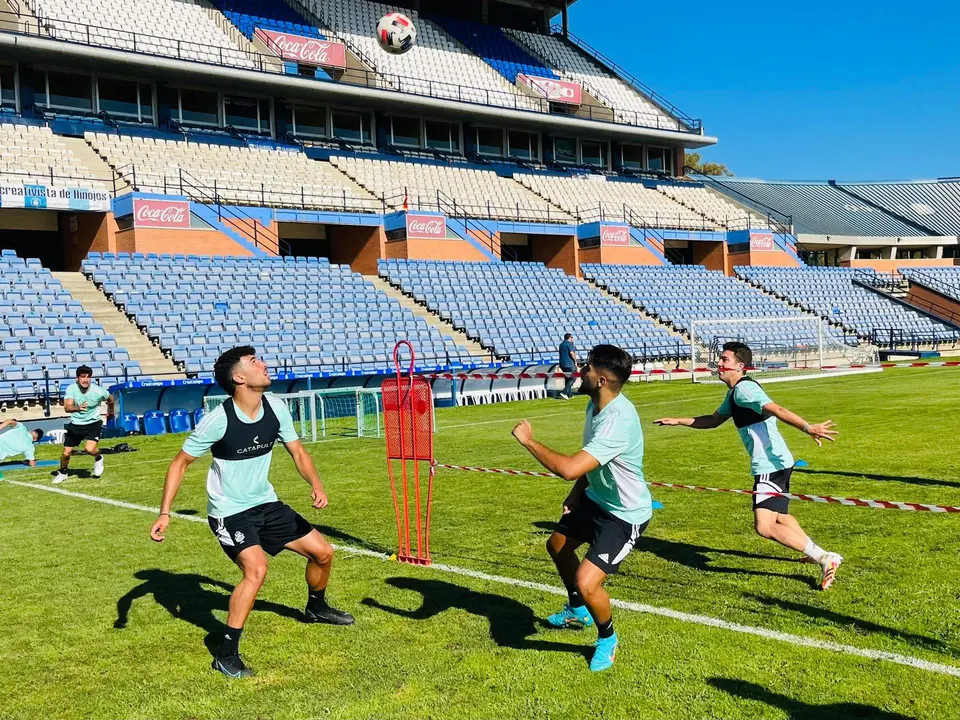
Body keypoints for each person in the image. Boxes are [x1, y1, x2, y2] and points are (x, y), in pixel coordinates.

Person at [149, 346, 354, 679]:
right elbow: (179, 463)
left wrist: (316, 485)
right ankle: (226, 653)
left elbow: (298, 453)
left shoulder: (276, 407)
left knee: (324, 553)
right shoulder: (218, 420)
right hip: (230, 512)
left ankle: (316, 608)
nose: (264, 365)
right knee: (256, 571)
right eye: (255, 362)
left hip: (266, 503)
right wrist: (164, 513)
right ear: (239, 377)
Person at [654, 341, 843, 590]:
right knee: (781, 517)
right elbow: (713, 420)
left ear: (740, 366)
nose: (719, 364)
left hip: (769, 466)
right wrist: (678, 421)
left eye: (724, 360)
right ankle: (820, 553)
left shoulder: (745, 391)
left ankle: (824, 558)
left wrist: (809, 428)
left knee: (765, 526)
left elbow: (777, 409)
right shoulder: (734, 393)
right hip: (778, 462)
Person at [512, 344, 650, 672]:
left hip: (624, 514)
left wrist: (529, 441)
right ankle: (577, 609)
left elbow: (571, 467)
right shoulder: (595, 406)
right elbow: (592, 461)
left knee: (589, 582)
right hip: (596, 498)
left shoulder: (618, 420)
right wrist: (578, 494)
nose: (581, 371)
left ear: (601, 380)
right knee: (557, 546)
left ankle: (608, 638)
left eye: (587, 368)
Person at [53, 365, 114, 484]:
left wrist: (110, 410)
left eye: (88, 377)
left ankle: (98, 457)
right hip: (76, 424)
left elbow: (110, 399)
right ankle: (63, 472)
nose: (85, 380)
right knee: (66, 453)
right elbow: (67, 407)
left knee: (89, 449)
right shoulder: (71, 389)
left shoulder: (98, 390)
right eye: (82, 377)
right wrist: (78, 408)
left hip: (93, 423)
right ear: (77, 378)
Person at [558, 333, 578, 400]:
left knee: (567, 378)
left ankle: (569, 394)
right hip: (569, 364)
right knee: (574, 378)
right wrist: (575, 360)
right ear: (569, 338)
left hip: (562, 364)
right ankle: (564, 392)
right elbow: (572, 353)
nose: (573, 339)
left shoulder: (561, 344)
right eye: (572, 337)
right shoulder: (569, 344)